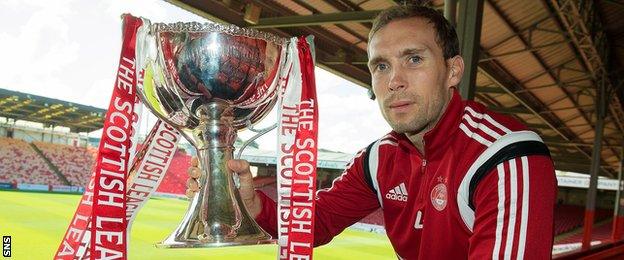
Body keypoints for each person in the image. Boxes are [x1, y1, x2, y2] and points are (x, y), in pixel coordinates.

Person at [186, 5, 556, 259]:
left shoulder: (507, 157)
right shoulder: (380, 158)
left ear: (453, 71)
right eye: (380, 66)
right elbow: (316, 223)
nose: (394, 81)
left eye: (414, 59)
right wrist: (252, 207)